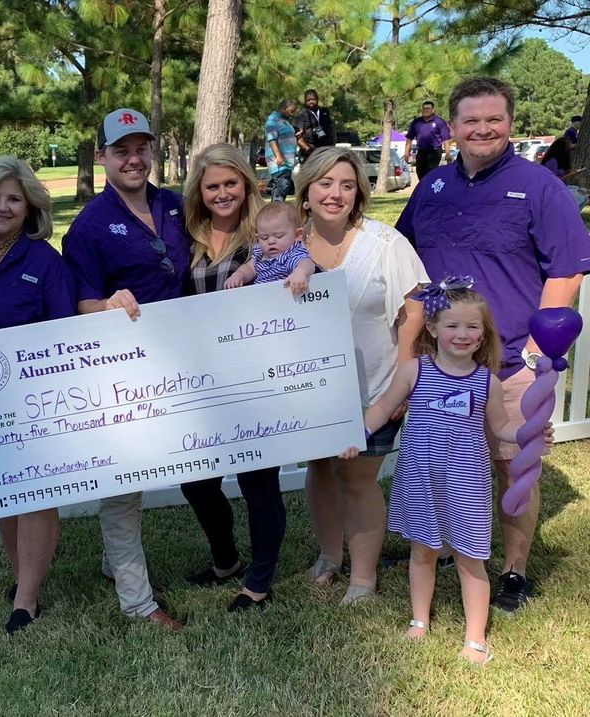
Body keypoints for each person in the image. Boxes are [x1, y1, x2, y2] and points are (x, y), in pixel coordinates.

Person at [396, 77, 590, 615]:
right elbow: (404, 259)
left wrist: (535, 347)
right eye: (471, 120)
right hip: (441, 363)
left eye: (494, 119)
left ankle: (513, 570)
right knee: (437, 459)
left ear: (509, 122)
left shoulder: (539, 186)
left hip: (511, 360)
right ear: (451, 127)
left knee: (513, 467)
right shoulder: (431, 186)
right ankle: (430, 545)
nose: (483, 129)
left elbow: (567, 270)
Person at [339, 279, 553, 664]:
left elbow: (501, 427)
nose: (463, 334)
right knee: (423, 553)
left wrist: (529, 432)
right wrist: (359, 433)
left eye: (473, 326)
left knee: (471, 559)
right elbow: (383, 408)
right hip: (421, 481)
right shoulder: (414, 371)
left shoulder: (486, 381)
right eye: (452, 325)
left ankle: (474, 640)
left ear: (483, 334)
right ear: (433, 329)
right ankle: (419, 620)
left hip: (466, 485)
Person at [62, 108, 189, 631]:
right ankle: (137, 600)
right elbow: (77, 305)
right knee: (124, 484)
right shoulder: (90, 225)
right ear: (102, 156)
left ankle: (115, 563)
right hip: (124, 371)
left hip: (181, 361)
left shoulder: (175, 205)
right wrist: (107, 305)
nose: (134, 158)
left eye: (141, 147)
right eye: (121, 150)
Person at [295, 147, 429, 603]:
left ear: (359, 194)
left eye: (347, 185)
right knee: (321, 469)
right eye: (325, 184)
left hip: (374, 384)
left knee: (356, 477)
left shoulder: (385, 244)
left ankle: (364, 578)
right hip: (307, 392)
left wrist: (405, 372)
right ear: (306, 192)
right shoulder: (285, 245)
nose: (335, 194)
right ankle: (331, 555)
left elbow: (414, 307)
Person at [0, 156, 76, 634]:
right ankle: (21, 574)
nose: (2, 207)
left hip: (33, 400)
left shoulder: (44, 262)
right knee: (3, 493)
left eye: (14, 199)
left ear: (30, 208)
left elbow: (64, 333)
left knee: (35, 493)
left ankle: (26, 599)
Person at [181, 143, 289, 612]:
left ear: (246, 184)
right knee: (196, 480)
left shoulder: (266, 235)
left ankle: (259, 582)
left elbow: (304, 275)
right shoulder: (191, 234)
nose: (222, 193)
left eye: (231, 183)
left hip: (255, 376)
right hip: (202, 377)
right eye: (212, 186)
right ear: (199, 192)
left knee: (258, 483)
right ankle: (226, 560)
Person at [224, 202, 314, 293]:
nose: (270, 241)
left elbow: (306, 262)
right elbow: (249, 268)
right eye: (264, 238)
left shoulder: (291, 253)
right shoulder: (260, 254)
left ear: (297, 235)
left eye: (279, 236)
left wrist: (300, 272)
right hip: (261, 298)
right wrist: (238, 275)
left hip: (285, 296)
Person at [404, 101, 452, 180]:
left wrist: (447, 153)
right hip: (421, 151)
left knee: (430, 173)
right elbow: (409, 139)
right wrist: (406, 153)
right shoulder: (416, 122)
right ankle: (423, 190)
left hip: (434, 151)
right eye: (424, 108)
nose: (425, 110)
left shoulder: (439, 122)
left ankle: (430, 190)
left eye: (428, 108)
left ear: (433, 110)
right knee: (420, 172)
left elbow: (446, 139)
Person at [264, 99, 298, 202]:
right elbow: (272, 139)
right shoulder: (272, 120)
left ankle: (277, 212)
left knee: (284, 187)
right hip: (279, 162)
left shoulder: (284, 121)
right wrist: (278, 155)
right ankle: (276, 213)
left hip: (287, 161)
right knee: (281, 187)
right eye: (291, 111)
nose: (292, 114)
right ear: (284, 108)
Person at [540, 137, 589, 209]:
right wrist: (570, 175)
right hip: (554, 191)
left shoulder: (560, 160)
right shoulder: (552, 161)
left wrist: (572, 173)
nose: (570, 151)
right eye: (568, 148)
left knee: (585, 192)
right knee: (580, 196)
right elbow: (551, 181)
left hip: (562, 187)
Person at [295, 90, 333, 163]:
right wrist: (308, 149)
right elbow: (297, 136)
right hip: (310, 153)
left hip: (325, 151)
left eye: (313, 99)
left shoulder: (324, 111)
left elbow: (332, 129)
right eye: (308, 100)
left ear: (317, 99)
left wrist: (332, 145)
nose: (311, 102)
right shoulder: (301, 114)